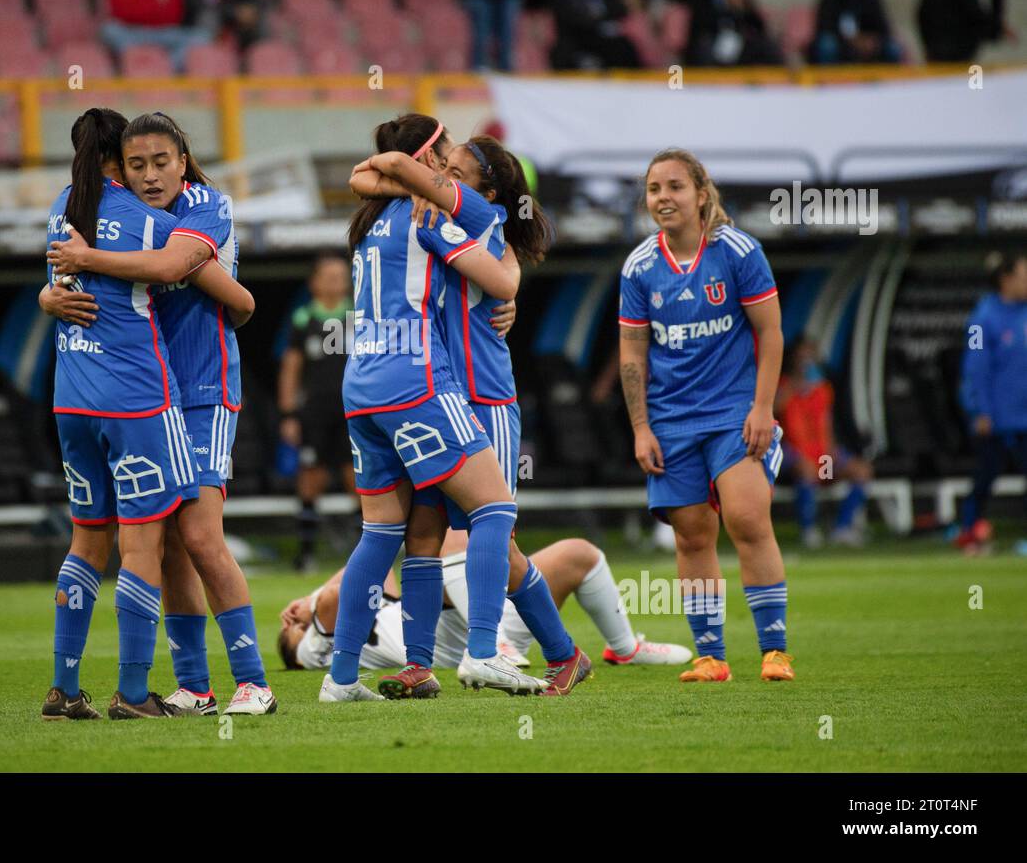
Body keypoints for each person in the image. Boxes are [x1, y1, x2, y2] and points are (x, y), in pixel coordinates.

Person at [44, 111, 276, 716]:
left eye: (161, 163)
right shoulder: (119, 215)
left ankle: (254, 682)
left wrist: (86, 261)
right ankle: (196, 688)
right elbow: (69, 279)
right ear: (120, 164)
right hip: (154, 394)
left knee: (199, 534)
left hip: (203, 389)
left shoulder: (205, 206)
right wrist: (50, 294)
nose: (150, 176)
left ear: (183, 160)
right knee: (169, 541)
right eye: (137, 164)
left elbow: (238, 301)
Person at [351, 130, 597, 699]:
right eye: (440, 170)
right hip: (438, 400)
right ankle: (421, 665)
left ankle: (525, 652)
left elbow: (506, 279)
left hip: (486, 398)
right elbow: (364, 179)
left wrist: (407, 176)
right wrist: (407, 185)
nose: (442, 179)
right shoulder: (437, 223)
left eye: (454, 173)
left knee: (498, 534)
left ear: (485, 188)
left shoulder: (480, 224)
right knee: (425, 532)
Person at [40, 107, 204, 721]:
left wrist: (50, 291)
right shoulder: (148, 220)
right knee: (142, 545)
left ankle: (63, 689)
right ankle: (134, 694)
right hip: (137, 400)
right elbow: (185, 269)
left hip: (71, 399)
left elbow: (52, 292)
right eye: (139, 160)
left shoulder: (60, 211)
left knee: (86, 541)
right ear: (121, 156)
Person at [618, 148, 793, 683]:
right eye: (653, 189)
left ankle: (774, 650)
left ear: (700, 193)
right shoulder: (640, 266)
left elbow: (770, 333)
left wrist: (763, 407)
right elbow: (632, 353)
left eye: (674, 186)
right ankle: (711, 657)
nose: (663, 198)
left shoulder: (738, 252)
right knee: (692, 537)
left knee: (746, 517)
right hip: (670, 423)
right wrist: (641, 427)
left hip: (734, 415)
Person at [278, 532, 691, 671]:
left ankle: (625, 649)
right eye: (292, 629)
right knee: (448, 540)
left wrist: (308, 603)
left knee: (578, 554)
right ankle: (490, 645)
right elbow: (335, 597)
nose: (293, 621)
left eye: (293, 622)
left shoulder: (361, 614)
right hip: (449, 642)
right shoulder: (317, 651)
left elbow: (376, 569)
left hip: (463, 615)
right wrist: (311, 602)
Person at [278, 253, 355, 571]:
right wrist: (288, 415)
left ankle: (361, 550)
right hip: (315, 413)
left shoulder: (360, 315)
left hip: (354, 412)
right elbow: (291, 368)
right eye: (329, 275)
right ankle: (306, 553)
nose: (336, 281)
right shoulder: (303, 318)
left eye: (342, 275)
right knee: (311, 478)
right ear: (314, 282)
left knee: (359, 479)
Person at [956, 250, 1027, 554]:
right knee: (985, 477)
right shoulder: (982, 318)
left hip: (1025, 416)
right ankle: (970, 534)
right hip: (996, 418)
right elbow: (974, 368)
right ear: (1006, 279)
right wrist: (980, 409)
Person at [775, 336, 872, 547]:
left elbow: (825, 426)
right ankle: (809, 530)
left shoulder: (822, 389)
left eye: (811, 355)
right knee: (808, 470)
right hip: (791, 455)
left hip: (821, 455)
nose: (807, 361)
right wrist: (795, 384)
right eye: (802, 356)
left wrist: (829, 457)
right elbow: (774, 410)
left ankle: (842, 528)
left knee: (861, 471)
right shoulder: (783, 385)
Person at [810, 0, 902, 65]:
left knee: (893, 47)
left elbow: (883, 25)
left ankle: (889, 79)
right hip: (840, 40)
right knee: (827, 45)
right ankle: (828, 78)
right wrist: (852, 40)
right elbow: (824, 25)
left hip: (867, 41)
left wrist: (870, 39)